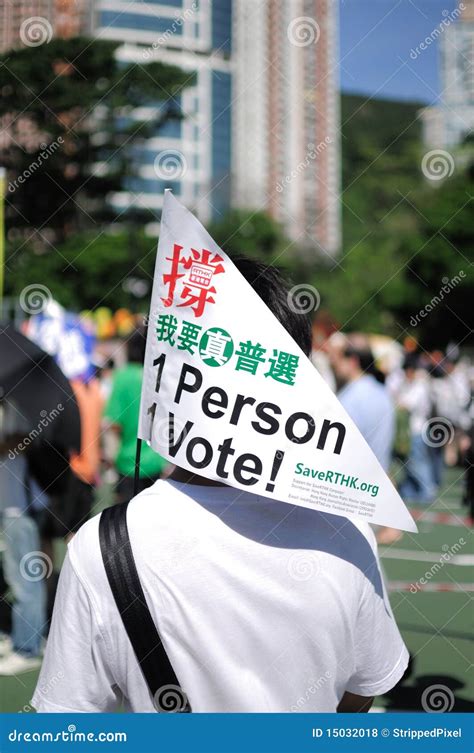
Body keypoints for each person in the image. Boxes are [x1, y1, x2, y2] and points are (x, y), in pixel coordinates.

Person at [32, 260, 408, 713]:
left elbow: (69, 721)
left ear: (170, 373)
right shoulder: (346, 531)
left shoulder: (102, 545)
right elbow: (363, 689)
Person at [0, 401, 47, 675]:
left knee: (24, 579)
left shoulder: (18, 404)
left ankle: (28, 646)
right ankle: (21, 637)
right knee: (16, 576)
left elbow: (28, 439)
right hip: (12, 504)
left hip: (20, 505)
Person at [103, 328, 168, 503]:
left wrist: (109, 456)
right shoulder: (159, 376)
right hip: (156, 462)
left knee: (125, 522)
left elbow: (114, 423)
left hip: (128, 463)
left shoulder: (123, 377)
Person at [331, 338, 395, 472]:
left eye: (339, 358)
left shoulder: (350, 397)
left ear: (353, 361)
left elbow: (338, 447)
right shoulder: (383, 393)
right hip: (376, 479)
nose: (334, 363)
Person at [395, 355, 436, 504]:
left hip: (417, 431)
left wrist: (396, 401)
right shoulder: (408, 384)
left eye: (408, 371)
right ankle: (412, 491)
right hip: (408, 432)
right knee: (409, 463)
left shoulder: (419, 386)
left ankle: (427, 491)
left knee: (418, 462)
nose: (406, 374)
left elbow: (406, 404)